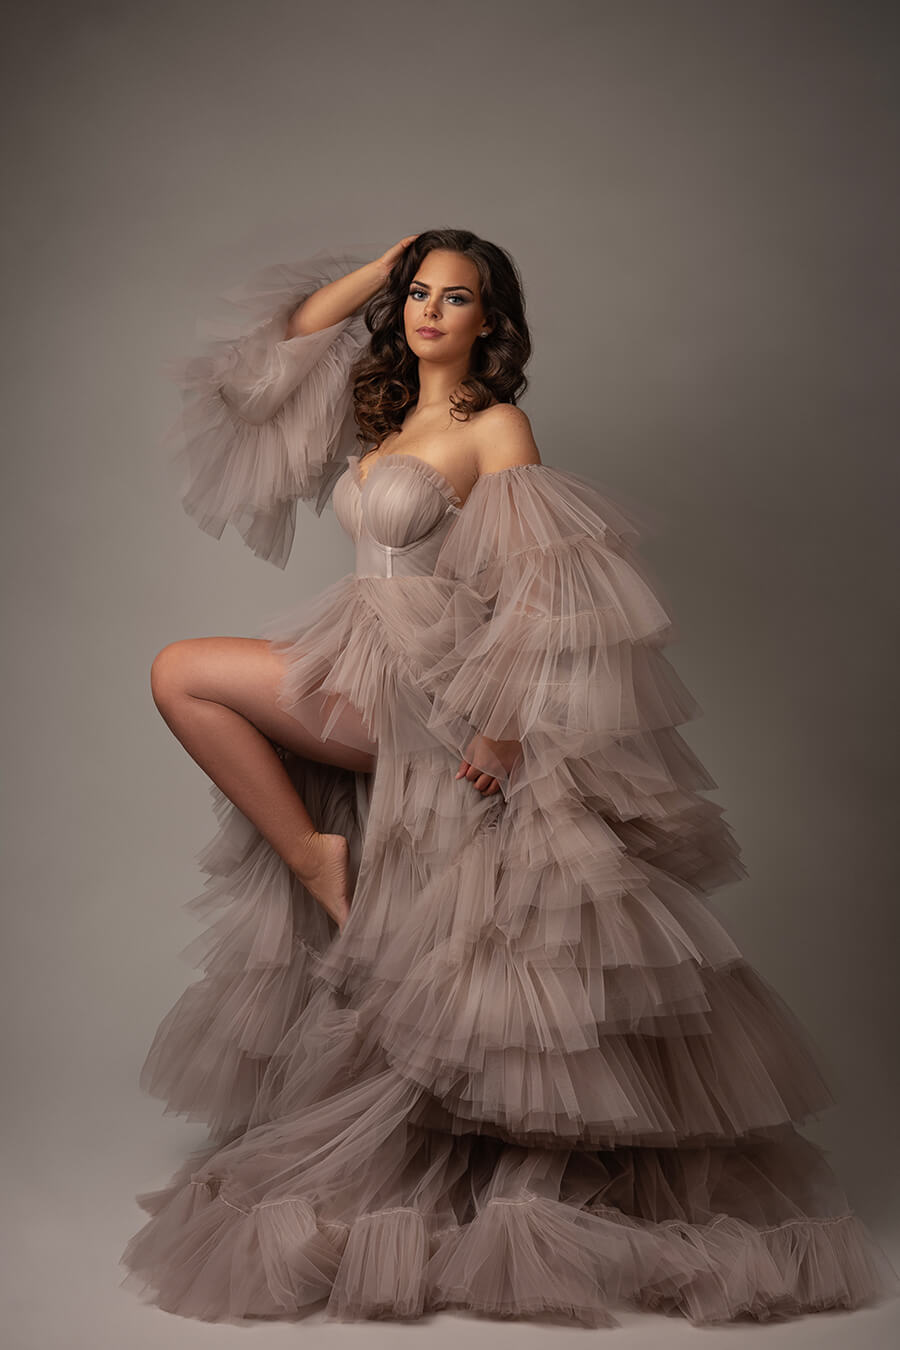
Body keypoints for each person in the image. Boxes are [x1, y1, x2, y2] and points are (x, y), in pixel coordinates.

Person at [119, 228, 898, 1326]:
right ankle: (311, 850)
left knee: (183, 671)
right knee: (186, 680)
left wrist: (508, 730)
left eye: (458, 297)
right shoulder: (379, 411)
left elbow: (550, 593)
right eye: (422, 295)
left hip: (428, 681)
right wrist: (387, 265)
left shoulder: (498, 429)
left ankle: (313, 853)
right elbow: (265, 365)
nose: (434, 311)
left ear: (493, 321)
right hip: (356, 654)